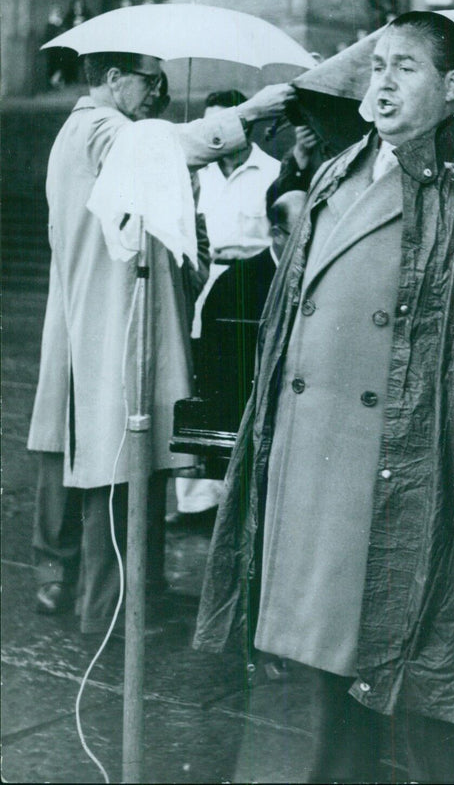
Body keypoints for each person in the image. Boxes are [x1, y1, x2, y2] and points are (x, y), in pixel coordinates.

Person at [194, 11, 454, 784]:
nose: (382, 81)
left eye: (405, 67)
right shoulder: (339, 168)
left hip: (406, 471)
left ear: (452, 87)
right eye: (377, 66)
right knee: (330, 686)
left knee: (427, 693)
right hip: (315, 464)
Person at [27, 51, 292, 634]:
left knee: (125, 458)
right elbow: (165, 147)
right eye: (152, 81)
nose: (161, 93)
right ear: (115, 80)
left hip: (108, 317)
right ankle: (111, 609)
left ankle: (129, 593)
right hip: (112, 321)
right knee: (119, 459)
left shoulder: (92, 129)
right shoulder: (99, 127)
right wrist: (247, 113)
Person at [171, 89, 282, 526]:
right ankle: (196, 499)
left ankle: (239, 494)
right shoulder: (196, 175)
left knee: (245, 381)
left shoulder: (271, 171)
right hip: (209, 282)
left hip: (254, 285)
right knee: (203, 376)